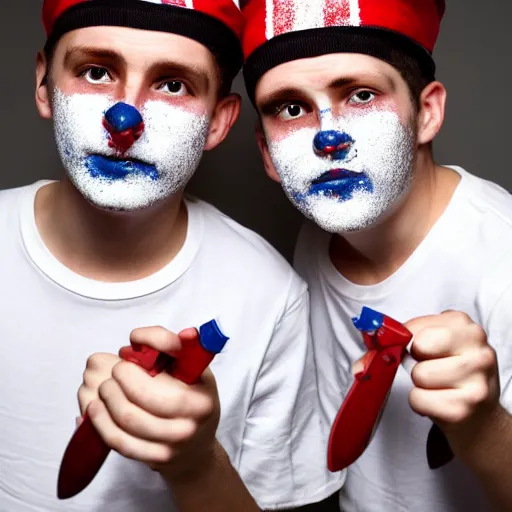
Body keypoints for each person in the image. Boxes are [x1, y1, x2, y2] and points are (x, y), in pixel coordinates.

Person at [0, 1, 343, 510]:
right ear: (44, 84)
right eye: (96, 72)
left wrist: (195, 463)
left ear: (218, 123)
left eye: (173, 85)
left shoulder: (270, 297)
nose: (125, 117)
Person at [240, 0, 512, 510]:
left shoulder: (504, 261)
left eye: (361, 95)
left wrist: (483, 425)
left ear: (426, 112)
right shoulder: (320, 233)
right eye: (291, 108)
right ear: (267, 155)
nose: (327, 138)